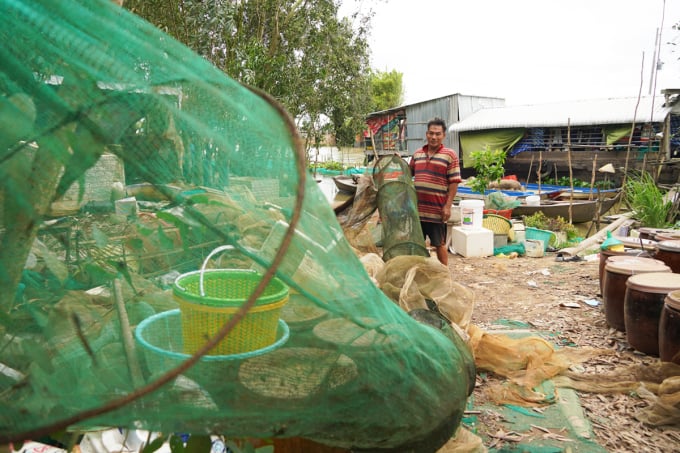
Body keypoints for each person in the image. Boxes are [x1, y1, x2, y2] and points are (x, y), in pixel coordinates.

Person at [409, 118, 461, 266]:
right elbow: (407, 174)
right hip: (417, 210)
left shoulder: (450, 155)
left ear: (444, 135)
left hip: (437, 210)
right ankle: (419, 271)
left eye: (437, 134)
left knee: (439, 244)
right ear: (426, 134)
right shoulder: (417, 154)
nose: (433, 137)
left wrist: (448, 206)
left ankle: (444, 276)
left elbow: (454, 182)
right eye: (431, 133)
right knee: (417, 244)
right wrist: (399, 162)